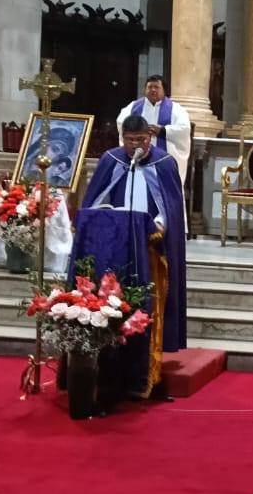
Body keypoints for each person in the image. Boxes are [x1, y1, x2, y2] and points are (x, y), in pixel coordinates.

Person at [79, 115, 187, 399]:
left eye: (142, 140)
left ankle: (146, 373)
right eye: (131, 140)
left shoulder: (164, 164)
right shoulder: (111, 160)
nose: (136, 146)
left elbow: (172, 206)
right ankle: (110, 372)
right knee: (111, 305)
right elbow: (93, 202)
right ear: (122, 137)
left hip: (150, 247)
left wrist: (162, 224)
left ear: (150, 137)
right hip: (113, 248)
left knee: (146, 307)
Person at [116, 75, 192, 188]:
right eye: (149, 87)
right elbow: (121, 122)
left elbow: (184, 129)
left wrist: (162, 130)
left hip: (164, 158)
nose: (152, 90)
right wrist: (138, 131)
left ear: (164, 90)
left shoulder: (176, 109)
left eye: (156, 87)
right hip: (139, 157)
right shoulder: (133, 107)